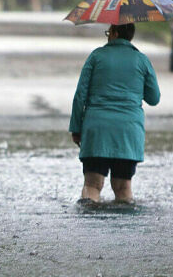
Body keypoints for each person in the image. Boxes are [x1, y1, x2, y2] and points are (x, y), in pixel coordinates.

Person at [68, 21, 160, 204]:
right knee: (123, 188)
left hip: (97, 130)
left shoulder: (96, 56)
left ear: (116, 32)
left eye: (109, 31)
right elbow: (154, 98)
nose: (108, 35)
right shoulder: (141, 60)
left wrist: (76, 129)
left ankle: (87, 229)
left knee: (92, 185)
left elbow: (80, 96)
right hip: (128, 132)